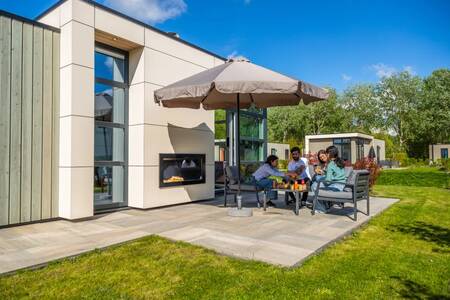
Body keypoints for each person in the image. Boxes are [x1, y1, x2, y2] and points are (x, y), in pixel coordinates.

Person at [311, 145, 347, 213]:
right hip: (342, 184)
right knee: (316, 184)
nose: (326, 155)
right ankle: (325, 205)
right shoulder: (340, 161)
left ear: (330, 154)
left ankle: (321, 208)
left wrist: (321, 179)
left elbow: (328, 181)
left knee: (315, 186)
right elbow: (337, 174)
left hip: (335, 186)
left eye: (326, 153)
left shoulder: (330, 164)